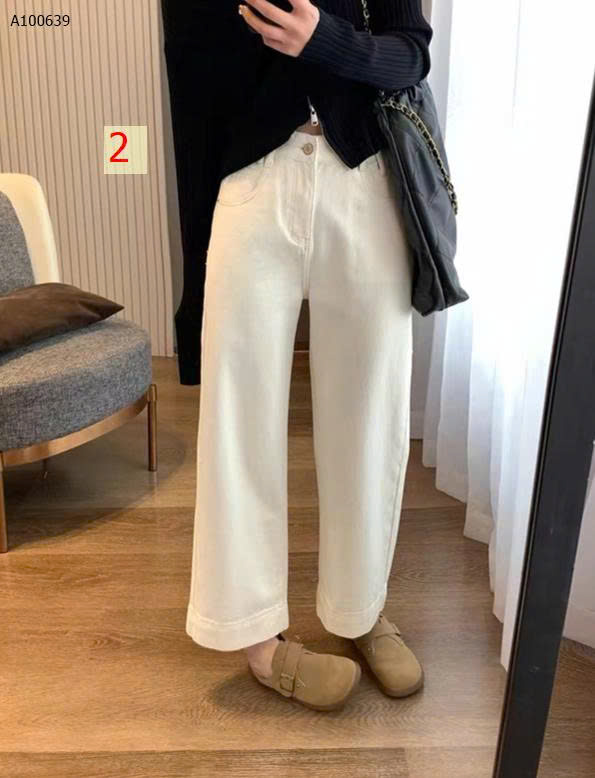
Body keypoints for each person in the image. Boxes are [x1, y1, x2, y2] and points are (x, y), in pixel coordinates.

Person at [180, 0, 433, 711]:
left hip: (365, 180)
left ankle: (359, 608)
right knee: (237, 415)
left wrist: (325, 40)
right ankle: (255, 636)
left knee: (369, 407)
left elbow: (411, 55)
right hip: (252, 180)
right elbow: (191, 91)